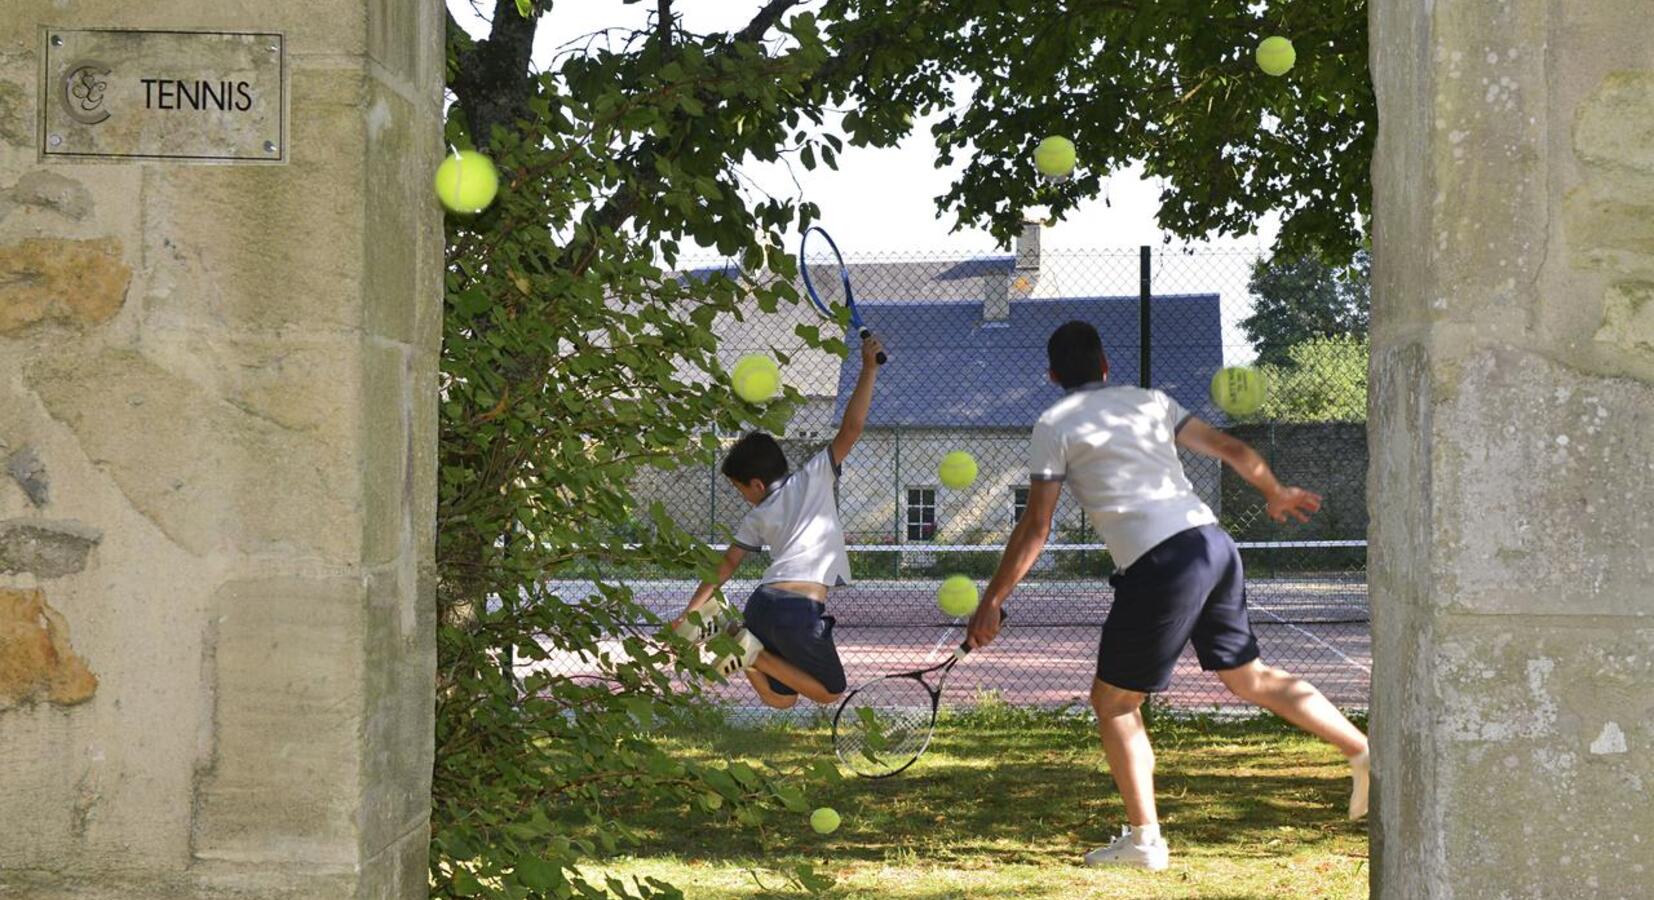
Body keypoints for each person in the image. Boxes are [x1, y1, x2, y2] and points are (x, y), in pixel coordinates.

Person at [966, 321, 1369, 870]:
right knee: (1248, 677)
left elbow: (1037, 526)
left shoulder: (1053, 423)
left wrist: (992, 599)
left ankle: (1144, 841)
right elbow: (1229, 447)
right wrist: (1275, 491)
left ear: (1053, 375)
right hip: (1214, 544)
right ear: (1106, 366)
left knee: (1114, 704)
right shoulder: (1149, 401)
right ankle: (1360, 749)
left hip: (1162, 562)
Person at [672, 335, 883, 708]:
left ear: (756, 484)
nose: (743, 497)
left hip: (762, 607)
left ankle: (731, 632)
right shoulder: (814, 476)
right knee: (831, 692)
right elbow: (852, 429)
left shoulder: (757, 515)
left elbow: (726, 565)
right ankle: (747, 650)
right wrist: (868, 370)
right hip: (797, 611)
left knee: (781, 700)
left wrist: (690, 612)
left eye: (740, 490)